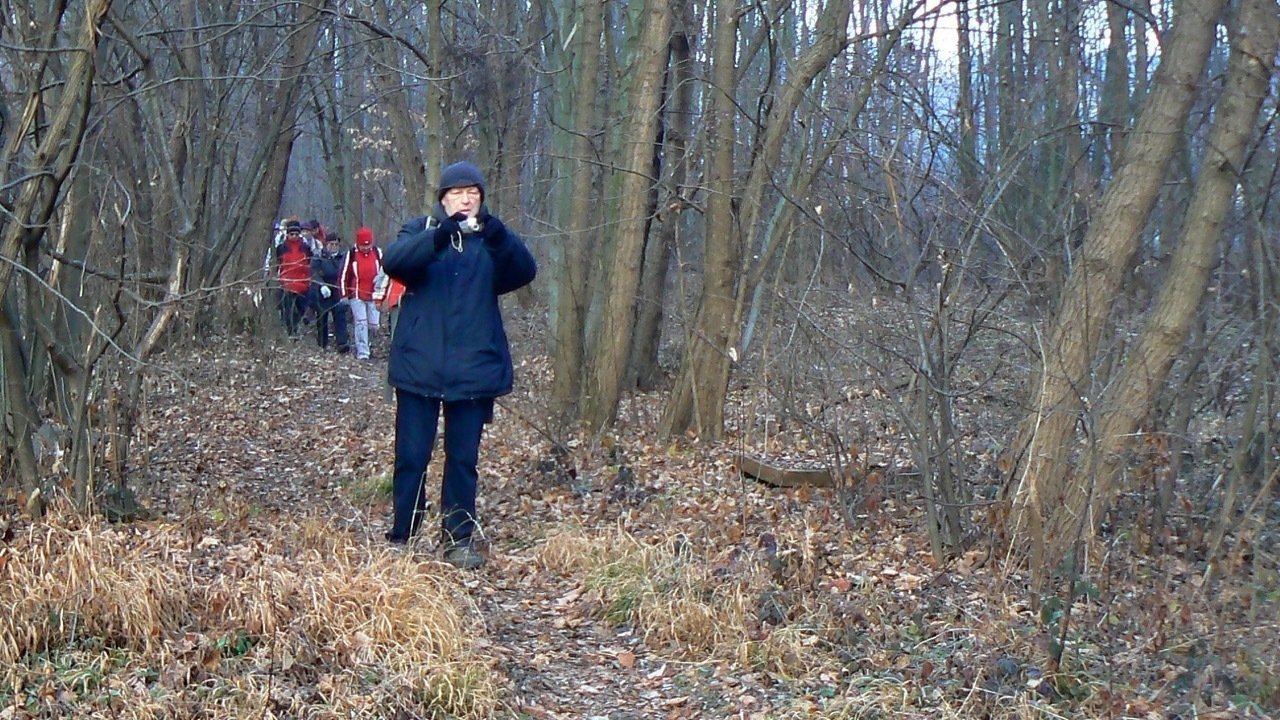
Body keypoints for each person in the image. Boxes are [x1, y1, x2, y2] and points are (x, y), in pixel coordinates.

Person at [382, 161, 536, 568]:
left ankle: (458, 539)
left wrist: (497, 234)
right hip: (418, 368)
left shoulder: (490, 241)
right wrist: (439, 236)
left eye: (473, 193)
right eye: (457, 193)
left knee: (463, 461)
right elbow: (395, 262)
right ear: (443, 199)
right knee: (411, 457)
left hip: (473, 370)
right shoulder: (420, 230)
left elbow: (525, 270)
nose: (466, 200)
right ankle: (403, 535)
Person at [341, 227, 384, 360]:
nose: (366, 248)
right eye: (363, 245)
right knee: (361, 323)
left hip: (374, 294)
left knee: (374, 325)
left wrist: (382, 290)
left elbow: (384, 271)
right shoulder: (351, 255)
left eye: (368, 245)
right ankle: (363, 352)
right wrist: (344, 294)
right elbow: (343, 274)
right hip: (357, 295)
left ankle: (369, 344)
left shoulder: (377, 253)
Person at [273, 219, 313, 335]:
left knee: (301, 310)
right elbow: (277, 264)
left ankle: (295, 328)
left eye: (296, 234)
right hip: (287, 284)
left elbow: (310, 263)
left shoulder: (305, 248)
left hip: (303, 284)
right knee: (287, 311)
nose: (294, 236)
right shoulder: (281, 248)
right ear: (287, 234)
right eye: (292, 234)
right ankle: (290, 332)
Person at [313, 233, 351, 352]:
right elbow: (313, 272)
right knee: (322, 317)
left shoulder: (343, 258)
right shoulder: (319, 257)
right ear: (326, 244)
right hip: (323, 291)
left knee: (340, 316)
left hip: (338, 290)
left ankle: (342, 342)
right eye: (331, 244)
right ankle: (322, 342)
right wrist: (321, 284)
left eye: (336, 244)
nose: (334, 247)